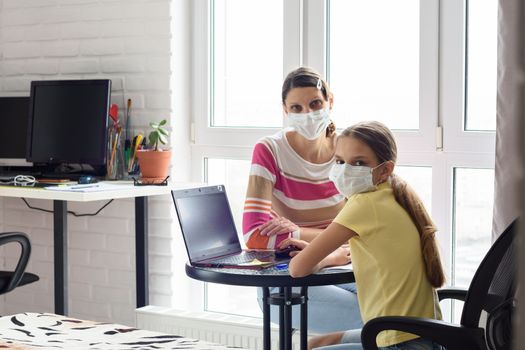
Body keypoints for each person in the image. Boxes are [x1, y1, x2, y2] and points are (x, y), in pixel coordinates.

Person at [281, 121, 446, 350]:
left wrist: (324, 259)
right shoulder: (394, 192)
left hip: (401, 342)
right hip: (425, 333)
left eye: (358, 163)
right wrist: (328, 255)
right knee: (316, 344)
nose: (346, 169)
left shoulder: (364, 203)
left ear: (385, 169)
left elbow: (297, 268)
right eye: (340, 161)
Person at [242, 67, 363, 333]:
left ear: (330, 101)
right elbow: (255, 236)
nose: (307, 114)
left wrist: (297, 232)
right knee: (376, 317)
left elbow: (365, 230)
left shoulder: (348, 150)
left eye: (315, 103)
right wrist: (336, 242)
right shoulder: (269, 150)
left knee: (405, 307)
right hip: (287, 277)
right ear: (285, 110)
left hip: (344, 265)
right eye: (296, 107)